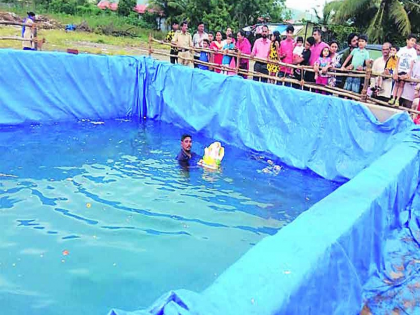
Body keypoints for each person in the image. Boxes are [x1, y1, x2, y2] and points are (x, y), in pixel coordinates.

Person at [389, 34, 417, 107]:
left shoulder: (413, 52)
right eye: (412, 40)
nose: (413, 43)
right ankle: (393, 98)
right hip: (399, 69)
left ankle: (397, 99)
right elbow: (398, 60)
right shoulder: (402, 49)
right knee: (396, 84)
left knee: (401, 85)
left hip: (406, 71)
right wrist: (396, 71)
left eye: (414, 41)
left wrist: (409, 73)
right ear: (407, 40)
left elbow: (412, 63)